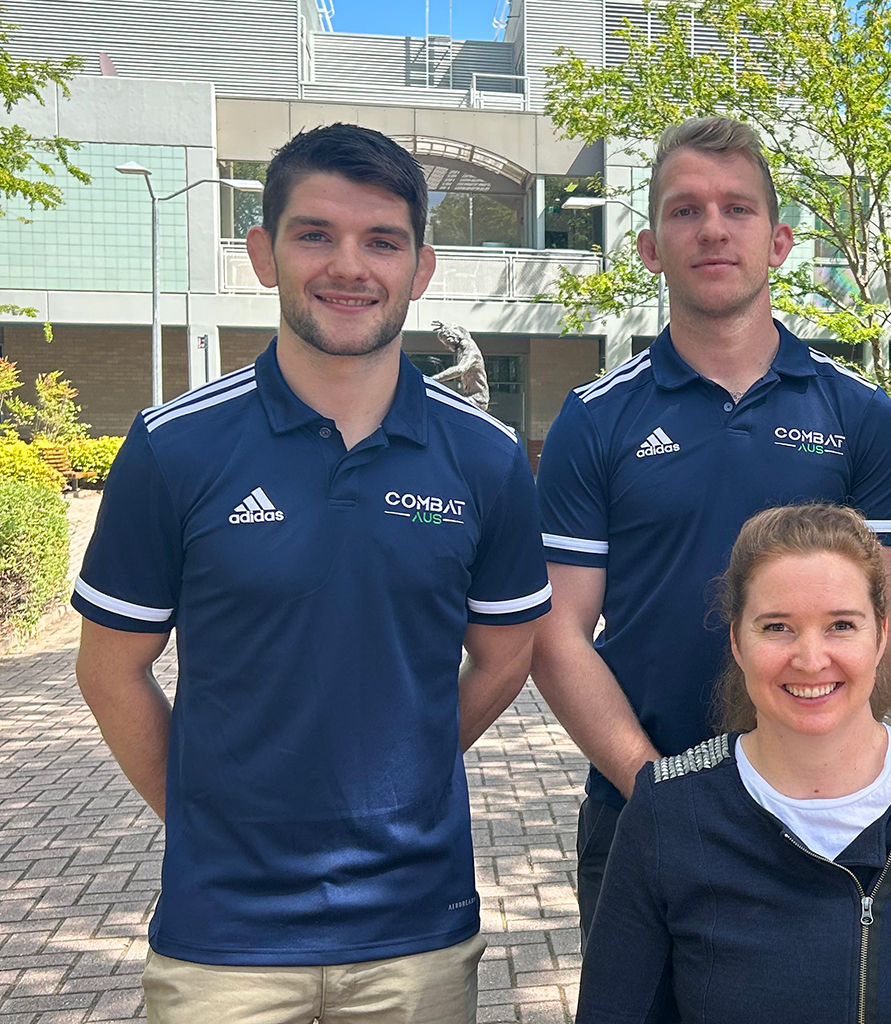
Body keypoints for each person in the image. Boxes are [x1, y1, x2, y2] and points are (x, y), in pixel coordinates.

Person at [71, 123, 551, 1023]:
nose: (350, 266)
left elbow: (505, 657)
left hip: (418, 929)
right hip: (225, 940)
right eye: (314, 234)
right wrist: (206, 816)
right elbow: (109, 670)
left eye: (382, 241)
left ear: (421, 269)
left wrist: (407, 773)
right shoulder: (173, 449)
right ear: (263, 254)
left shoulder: (487, 460)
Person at [534, 116, 891, 940]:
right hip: (640, 807)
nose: (712, 228)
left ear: (779, 241)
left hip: (827, 816)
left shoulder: (859, 415)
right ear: (648, 246)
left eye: (737, 209)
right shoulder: (595, 420)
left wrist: (812, 777)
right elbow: (558, 634)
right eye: (685, 210)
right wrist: (660, 791)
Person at [577, 504, 891, 1024]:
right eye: (777, 627)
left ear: (881, 635)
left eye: (841, 624)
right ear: (737, 642)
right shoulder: (668, 813)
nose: (811, 659)